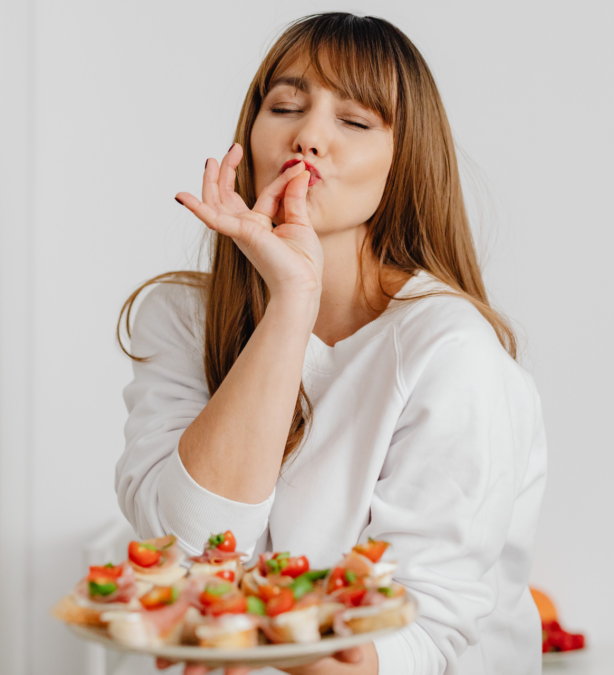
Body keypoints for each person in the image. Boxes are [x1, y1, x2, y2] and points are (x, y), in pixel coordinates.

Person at [115, 12, 546, 675]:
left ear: (403, 159)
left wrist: (284, 649)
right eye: (285, 105)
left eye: (355, 121)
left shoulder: (451, 349)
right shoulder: (179, 315)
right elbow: (195, 550)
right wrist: (291, 302)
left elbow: (428, 627)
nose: (307, 137)